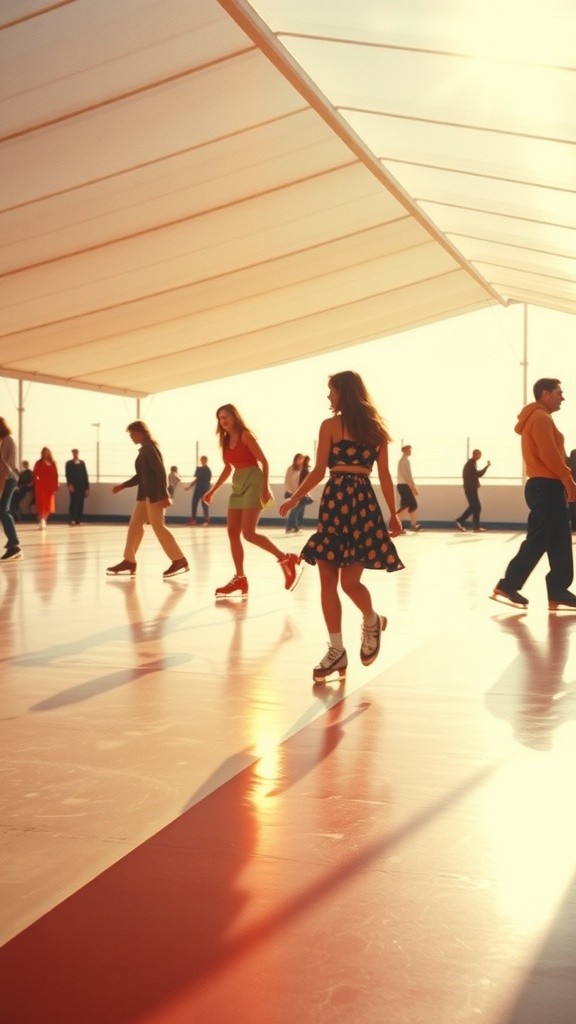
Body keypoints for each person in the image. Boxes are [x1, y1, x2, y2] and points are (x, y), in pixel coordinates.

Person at [279, 371, 404, 683]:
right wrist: (295, 498)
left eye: (331, 391)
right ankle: (337, 650)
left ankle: (372, 620)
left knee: (350, 583)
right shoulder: (331, 426)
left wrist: (394, 514)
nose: (328, 397)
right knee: (327, 580)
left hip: (359, 505)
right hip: (337, 505)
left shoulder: (375, 430)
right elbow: (320, 469)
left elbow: (385, 475)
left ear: (343, 393)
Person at [492, 378, 576, 611]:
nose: (563, 397)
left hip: (546, 485)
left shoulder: (539, 417)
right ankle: (508, 584)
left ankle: (558, 589)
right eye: (559, 392)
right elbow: (551, 456)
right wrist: (569, 480)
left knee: (559, 538)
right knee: (540, 538)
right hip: (545, 486)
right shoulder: (540, 418)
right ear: (545, 393)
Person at [204, 404, 301, 597]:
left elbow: (264, 462)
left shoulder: (245, 435)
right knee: (232, 532)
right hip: (238, 483)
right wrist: (212, 490)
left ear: (235, 417)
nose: (223, 421)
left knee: (248, 533)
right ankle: (240, 578)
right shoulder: (224, 440)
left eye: (227, 417)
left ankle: (285, 559)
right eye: (220, 418)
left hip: (254, 482)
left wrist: (265, 488)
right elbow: (227, 468)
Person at [106, 421, 189, 578]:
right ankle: (129, 560)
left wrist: (163, 495)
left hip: (153, 496)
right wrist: (122, 486)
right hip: (144, 496)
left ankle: (179, 559)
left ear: (140, 432)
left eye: (132, 434)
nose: (131, 437)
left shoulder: (150, 450)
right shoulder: (144, 451)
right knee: (135, 525)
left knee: (158, 527)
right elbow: (141, 476)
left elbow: (160, 472)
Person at [0, 417, 22, 561]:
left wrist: (2, 480)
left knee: (3, 509)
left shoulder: (8, 441)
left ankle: (14, 544)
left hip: (9, 479)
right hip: (6, 478)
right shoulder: (4, 441)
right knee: (3, 510)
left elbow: (8, 465)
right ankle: (13, 543)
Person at [455, 448, 491, 532]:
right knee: (477, 507)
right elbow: (478, 474)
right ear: (474, 454)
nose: (479, 456)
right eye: (478, 454)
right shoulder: (470, 464)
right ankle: (464, 522)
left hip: (471, 489)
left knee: (474, 507)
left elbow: (477, 474)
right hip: (470, 489)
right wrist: (487, 467)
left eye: (480, 455)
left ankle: (464, 522)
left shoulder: (472, 464)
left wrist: (486, 467)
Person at [396, 444, 421, 531]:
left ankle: (413, 525)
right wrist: (413, 487)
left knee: (410, 505)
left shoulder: (403, 460)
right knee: (408, 505)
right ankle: (396, 523)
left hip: (402, 485)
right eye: (409, 450)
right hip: (404, 485)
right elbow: (407, 476)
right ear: (404, 450)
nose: (410, 451)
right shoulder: (404, 461)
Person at [33, 447, 59, 529]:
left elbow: (55, 475)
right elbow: (34, 473)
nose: (45, 453)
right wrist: (35, 482)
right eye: (44, 452)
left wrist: (55, 487)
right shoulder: (38, 463)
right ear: (42, 453)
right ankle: (42, 520)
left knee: (48, 504)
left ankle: (44, 519)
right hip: (41, 485)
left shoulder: (53, 463)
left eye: (47, 452)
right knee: (41, 503)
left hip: (50, 486)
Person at [65, 448, 90, 525]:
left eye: (76, 453)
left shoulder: (82, 463)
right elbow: (67, 475)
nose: (75, 454)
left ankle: (78, 520)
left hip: (82, 486)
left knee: (80, 503)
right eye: (74, 453)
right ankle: (71, 519)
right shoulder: (69, 463)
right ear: (72, 454)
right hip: (73, 486)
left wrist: (87, 488)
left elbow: (85, 475)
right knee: (73, 502)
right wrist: (69, 485)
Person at [186, 456, 212, 525]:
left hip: (203, 488)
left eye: (203, 460)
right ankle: (196, 519)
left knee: (203, 503)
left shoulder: (203, 469)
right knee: (196, 503)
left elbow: (197, 479)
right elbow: (198, 479)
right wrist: (190, 486)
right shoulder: (206, 470)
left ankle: (205, 519)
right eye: (202, 460)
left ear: (206, 461)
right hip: (203, 487)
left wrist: (189, 486)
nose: (202, 461)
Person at [283, 453, 304, 533]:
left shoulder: (300, 469)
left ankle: (294, 526)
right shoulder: (291, 468)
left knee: (298, 508)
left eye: (302, 459)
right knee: (296, 509)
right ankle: (291, 527)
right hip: (292, 492)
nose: (301, 460)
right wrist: (294, 492)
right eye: (299, 458)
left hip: (297, 492)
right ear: (295, 460)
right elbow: (288, 481)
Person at [294, 454, 314, 531]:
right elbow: (303, 480)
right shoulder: (304, 469)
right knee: (298, 509)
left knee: (300, 508)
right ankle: (296, 525)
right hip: (302, 490)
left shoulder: (303, 468)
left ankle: (297, 525)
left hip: (302, 490)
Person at [568, 449, 576, 531]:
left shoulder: (573, 453)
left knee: (573, 506)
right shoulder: (573, 453)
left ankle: (574, 526)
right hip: (573, 486)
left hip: (572, 486)